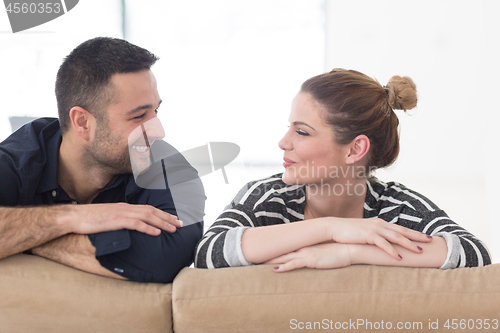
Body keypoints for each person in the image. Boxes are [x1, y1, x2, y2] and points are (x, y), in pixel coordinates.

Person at [195, 68, 490, 272]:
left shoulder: (397, 208)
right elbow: (209, 251)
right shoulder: (266, 197)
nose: (283, 142)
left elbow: (474, 253)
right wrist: (331, 228)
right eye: (289, 128)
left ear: (354, 150)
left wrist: (350, 252)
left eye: (302, 132)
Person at [0, 37, 205, 283]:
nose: (159, 131)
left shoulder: (171, 168)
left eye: (155, 111)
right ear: (83, 123)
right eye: (139, 116)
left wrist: (26, 239)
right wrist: (70, 218)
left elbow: (165, 258)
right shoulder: (18, 160)